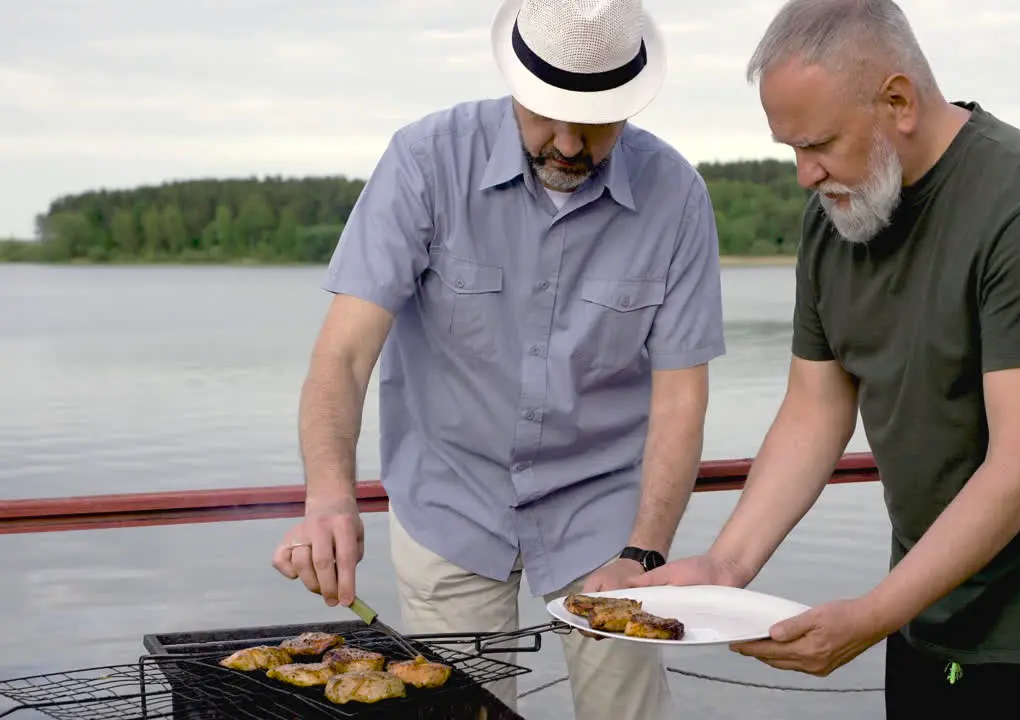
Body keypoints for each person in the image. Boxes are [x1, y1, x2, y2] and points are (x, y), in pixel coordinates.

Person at [630, 1, 1020, 718]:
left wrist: (871, 614)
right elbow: (815, 408)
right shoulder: (838, 213)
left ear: (898, 100)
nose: (802, 174)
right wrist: (725, 568)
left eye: (817, 143)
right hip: (924, 620)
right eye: (791, 148)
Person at [270, 0, 725, 718]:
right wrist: (329, 496)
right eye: (546, 114)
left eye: (596, 121)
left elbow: (680, 399)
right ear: (515, 82)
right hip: (448, 505)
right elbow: (344, 355)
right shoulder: (423, 161)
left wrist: (644, 552)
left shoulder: (678, 197)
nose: (569, 144)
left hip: (603, 515)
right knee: (455, 713)